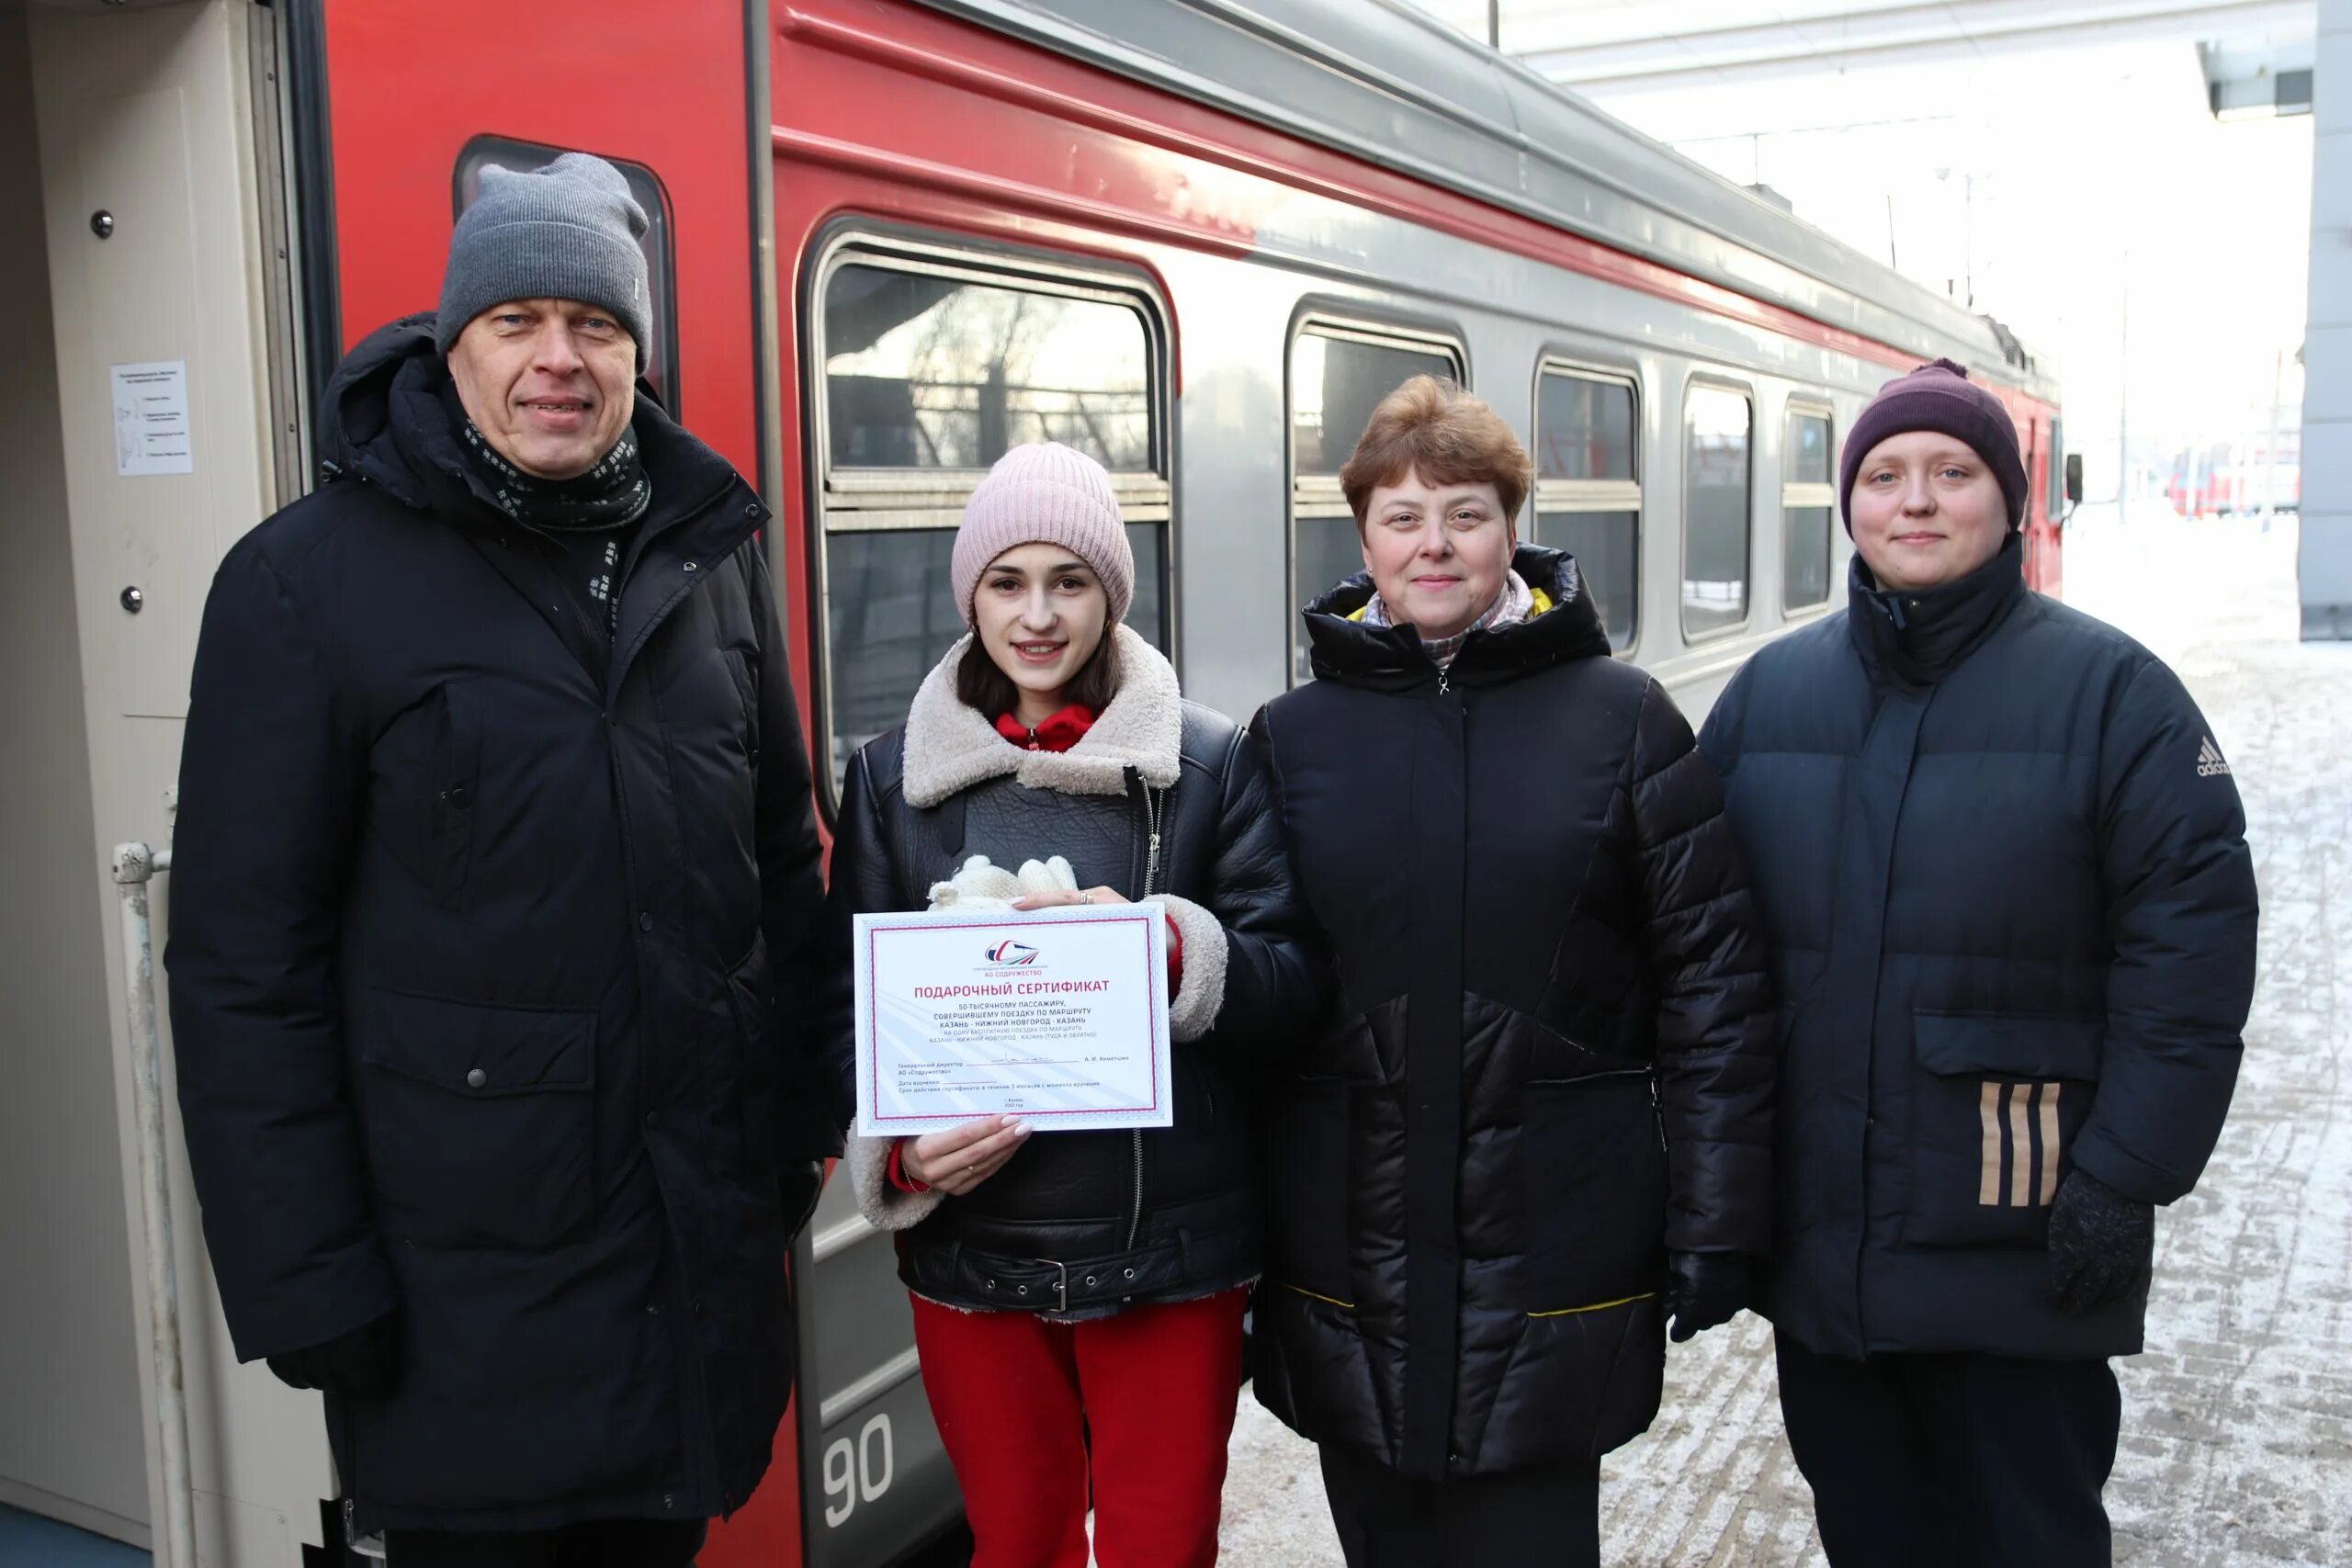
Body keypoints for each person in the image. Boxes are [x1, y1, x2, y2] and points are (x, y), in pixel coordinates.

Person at [165, 153, 843, 1565]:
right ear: (451, 342)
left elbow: (780, 863)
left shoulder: (705, 559)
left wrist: (795, 1128)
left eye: (596, 325)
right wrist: (305, 1277)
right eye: (517, 320)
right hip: (453, 1308)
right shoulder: (303, 583)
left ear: (637, 355)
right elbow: (243, 964)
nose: (559, 359)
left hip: (685, 1269)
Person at [1698, 358, 2260, 1566]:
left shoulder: (2118, 698)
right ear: (1848, 502)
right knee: (1871, 1533)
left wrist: (2126, 1170)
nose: (1917, 501)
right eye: (1886, 475)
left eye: (1953, 474)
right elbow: (1693, 948)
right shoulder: (1769, 696)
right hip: (1826, 1247)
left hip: (2023, 1229)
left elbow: (2191, 955)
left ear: (2010, 502)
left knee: (2028, 1534)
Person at [1248, 377, 1779, 1568]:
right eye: (1402, 514)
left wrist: (1718, 1212)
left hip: (1557, 1232)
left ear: (1514, 528)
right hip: (1348, 1240)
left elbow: (1716, 988)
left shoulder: (1624, 721)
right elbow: (1258, 990)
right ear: (1362, 536)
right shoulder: (1291, 740)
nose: (1434, 542)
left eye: (1467, 511)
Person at [828, 441, 1322, 1568]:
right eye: (1007, 582)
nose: (1038, 615)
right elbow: (842, 1017)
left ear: (1111, 594)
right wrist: (897, 1154)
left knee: (1160, 1549)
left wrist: (1170, 945)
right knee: (1017, 1546)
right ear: (971, 595)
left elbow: (1291, 992)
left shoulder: (1208, 764)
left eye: (1070, 581)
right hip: (972, 1259)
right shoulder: (890, 778)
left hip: (1169, 1257)